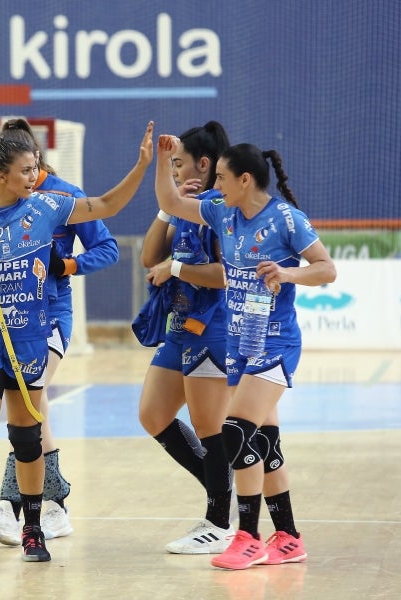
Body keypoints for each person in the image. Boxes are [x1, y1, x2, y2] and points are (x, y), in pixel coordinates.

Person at [0, 121, 154, 567]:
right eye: (27, 169)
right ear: (0, 174)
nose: (35, 176)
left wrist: (142, 166)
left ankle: (32, 528)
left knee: (27, 438)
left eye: (36, 167)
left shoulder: (50, 205)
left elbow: (107, 204)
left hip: (29, 337)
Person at [154, 135, 336, 570]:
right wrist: (162, 161)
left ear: (245, 179)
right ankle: (289, 538)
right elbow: (170, 201)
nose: (214, 184)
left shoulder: (286, 220)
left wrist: (287, 273)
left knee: (234, 431)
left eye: (221, 176)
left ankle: (248, 537)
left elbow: (327, 268)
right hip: (240, 341)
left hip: (275, 343)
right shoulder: (223, 212)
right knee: (265, 444)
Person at [0, 118, 119, 545]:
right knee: (30, 410)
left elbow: (107, 248)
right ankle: (49, 508)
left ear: (31, 158)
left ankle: (14, 508)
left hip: (50, 317)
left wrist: (67, 264)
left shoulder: (64, 196)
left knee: (29, 406)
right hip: (7, 319)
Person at [138, 121, 235, 554]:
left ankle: (220, 521)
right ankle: (223, 490)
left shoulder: (221, 208)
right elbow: (148, 256)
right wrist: (168, 210)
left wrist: (176, 270)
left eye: (178, 164)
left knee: (209, 427)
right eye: (171, 165)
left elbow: (227, 275)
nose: (174, 173)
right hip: (179, 330)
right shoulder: (188, 208)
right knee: (153, 414)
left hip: (211, 328)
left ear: (204, 163)